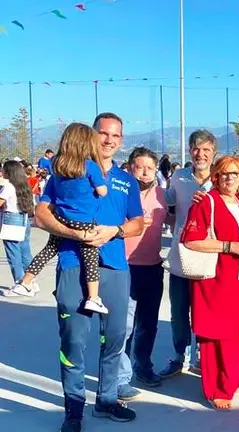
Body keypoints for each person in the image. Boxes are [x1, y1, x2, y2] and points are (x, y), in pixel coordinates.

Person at [35, 112, 144, 432]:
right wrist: (76, 234)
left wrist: (114, 231)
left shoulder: (127, 181)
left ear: (121, 140)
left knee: (114, 338)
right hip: (72, 264)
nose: (109, 140)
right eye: (104, 133)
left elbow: (137, 223)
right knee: (73, 341)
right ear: (91, 135)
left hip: (114, 268)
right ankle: (73, 409)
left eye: (116, 135)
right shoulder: (65, 174)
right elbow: (41, 216)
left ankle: (107, 399)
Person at [180, 156, 239, 410]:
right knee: (216, 334)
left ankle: (228, 381)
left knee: (233, 333)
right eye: (224, 173)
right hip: (216, 279)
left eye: (234, 174)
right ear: (215, 176)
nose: (229, 178)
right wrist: (229, 246)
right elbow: (191, 240)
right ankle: (215, 387)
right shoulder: (207, 202)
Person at [11, 123, 109, 314]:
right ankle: (94, 297)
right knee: (90, 258)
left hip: (62, 218)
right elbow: (102, 191)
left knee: (48, 250)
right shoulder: (90, 166)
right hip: (85, 221)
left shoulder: (57, 165)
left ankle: (26, 281)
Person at [159, 130, 216, 379]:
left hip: (211, 258)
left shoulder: (222, 177)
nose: (200, 154)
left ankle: (204, 357)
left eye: (206, 150)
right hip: (181, 256)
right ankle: (179, 356)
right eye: (196, 149)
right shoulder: (179, 177)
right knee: (179, 310)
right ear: (190, 151)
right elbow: (167, 203)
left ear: (214, 153)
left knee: (207, 311)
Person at [116, 147, 169, 398]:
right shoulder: (121, 193)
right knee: (124, 326)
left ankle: (143, 366)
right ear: (129, 167)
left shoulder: (161, 194)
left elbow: (173, 218)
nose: (145, 172)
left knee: (148, 324)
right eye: (140, 167)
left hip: (153, 267)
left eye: (150, 167)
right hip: (125, 266)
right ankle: (120, 377)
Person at [0, 160, 35, 294]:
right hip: (23, 219)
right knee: (25, 251)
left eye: (3, 169)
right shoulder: (23, 185)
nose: (2, 172)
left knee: (13, 253)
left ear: (9, 172)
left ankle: (20, 283)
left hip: (11, 220)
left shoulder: (8, 186)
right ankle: (30, 281)